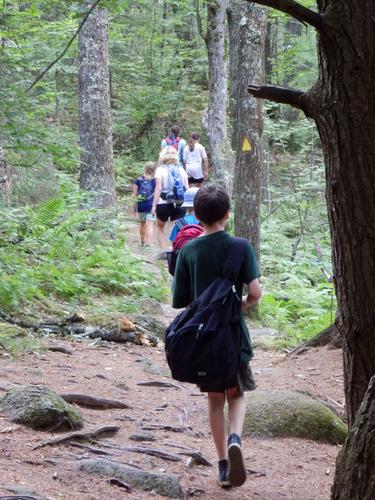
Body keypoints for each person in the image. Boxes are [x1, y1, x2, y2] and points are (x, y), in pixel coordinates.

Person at [172, 183, 262, 488]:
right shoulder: (240, 247)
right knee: (236, 395)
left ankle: (223, 464)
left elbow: (183, 302)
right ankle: (236, 437)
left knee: (214, 400)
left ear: (196, 215)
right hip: (233, 336)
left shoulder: (187, 250)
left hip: (204, 340)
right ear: (228, 214)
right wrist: (240, 304)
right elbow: (256, 293)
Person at [152, 146, 189, 256]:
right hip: (180, 204)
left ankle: (164, 250)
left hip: (163, 203)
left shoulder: (160, 170)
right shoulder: (181, 169)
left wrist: (154, 205)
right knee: (177, 227)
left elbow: (158, 188)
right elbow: (186, 188)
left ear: (163, 157)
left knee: (159, 226)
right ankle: (175, 249)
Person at [132, 161, 156, 247]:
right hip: (151, 205)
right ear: (154, 170)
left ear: (144, 169)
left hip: (141, 205)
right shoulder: (155, 180)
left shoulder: (137, 180)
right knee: (150, 224)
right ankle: (148, 243)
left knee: (142, 223)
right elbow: (157, 193)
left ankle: (142, 242)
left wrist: (134, 208)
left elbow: (134, 195)